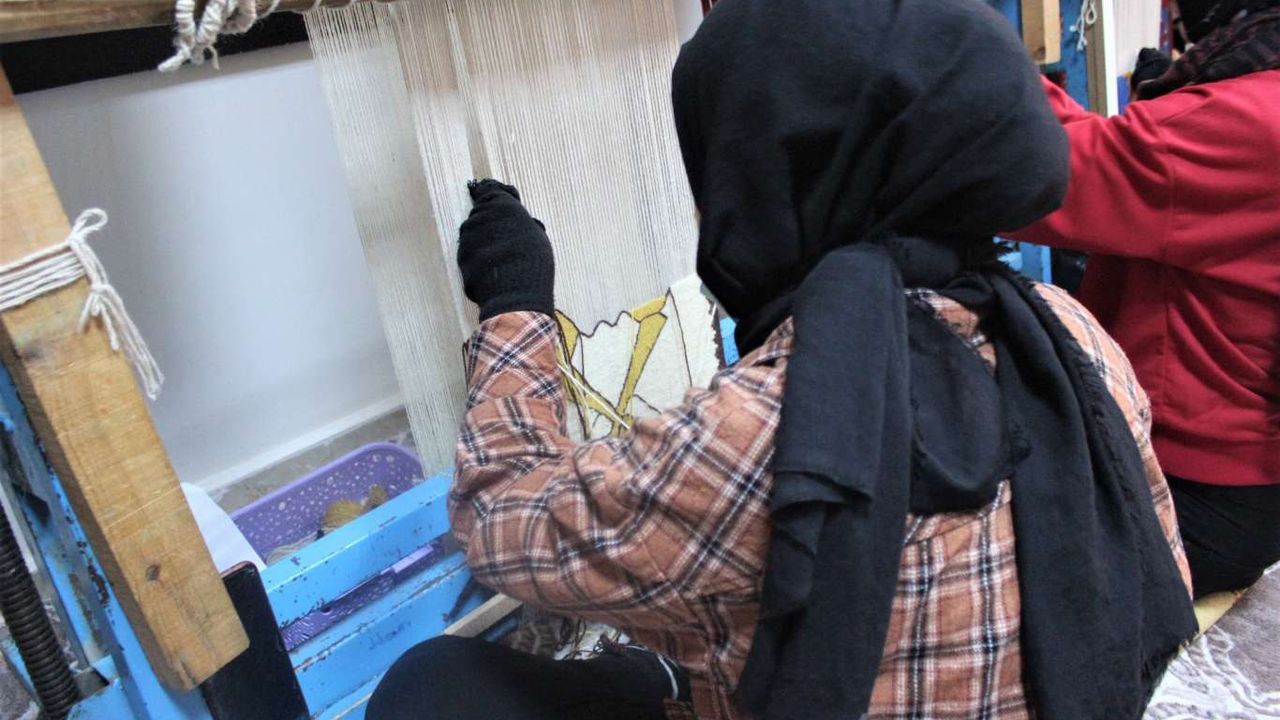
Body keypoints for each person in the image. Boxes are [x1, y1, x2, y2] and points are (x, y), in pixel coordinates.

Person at [368, 1, 1197, 718]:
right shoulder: (1068, 335)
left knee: (435, 684)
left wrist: (514, 302)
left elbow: (498, 518)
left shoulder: (771, 430)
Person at [1008, 0, 1280, 598]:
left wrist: (965, 40)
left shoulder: (1252, 119)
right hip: (1236, 483)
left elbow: (1043, 172)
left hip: (1186, 495)